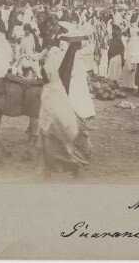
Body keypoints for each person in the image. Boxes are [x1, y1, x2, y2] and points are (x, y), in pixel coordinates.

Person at [38, 37, 91, 178]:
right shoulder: (57, 87)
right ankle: (49, 171)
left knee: (52, 152)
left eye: (43, 76)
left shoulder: (50, 90)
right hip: (56, 127)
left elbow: (50, 110)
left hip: (52, 128)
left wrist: (45, 127)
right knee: (51, 152)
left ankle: (71, 167)